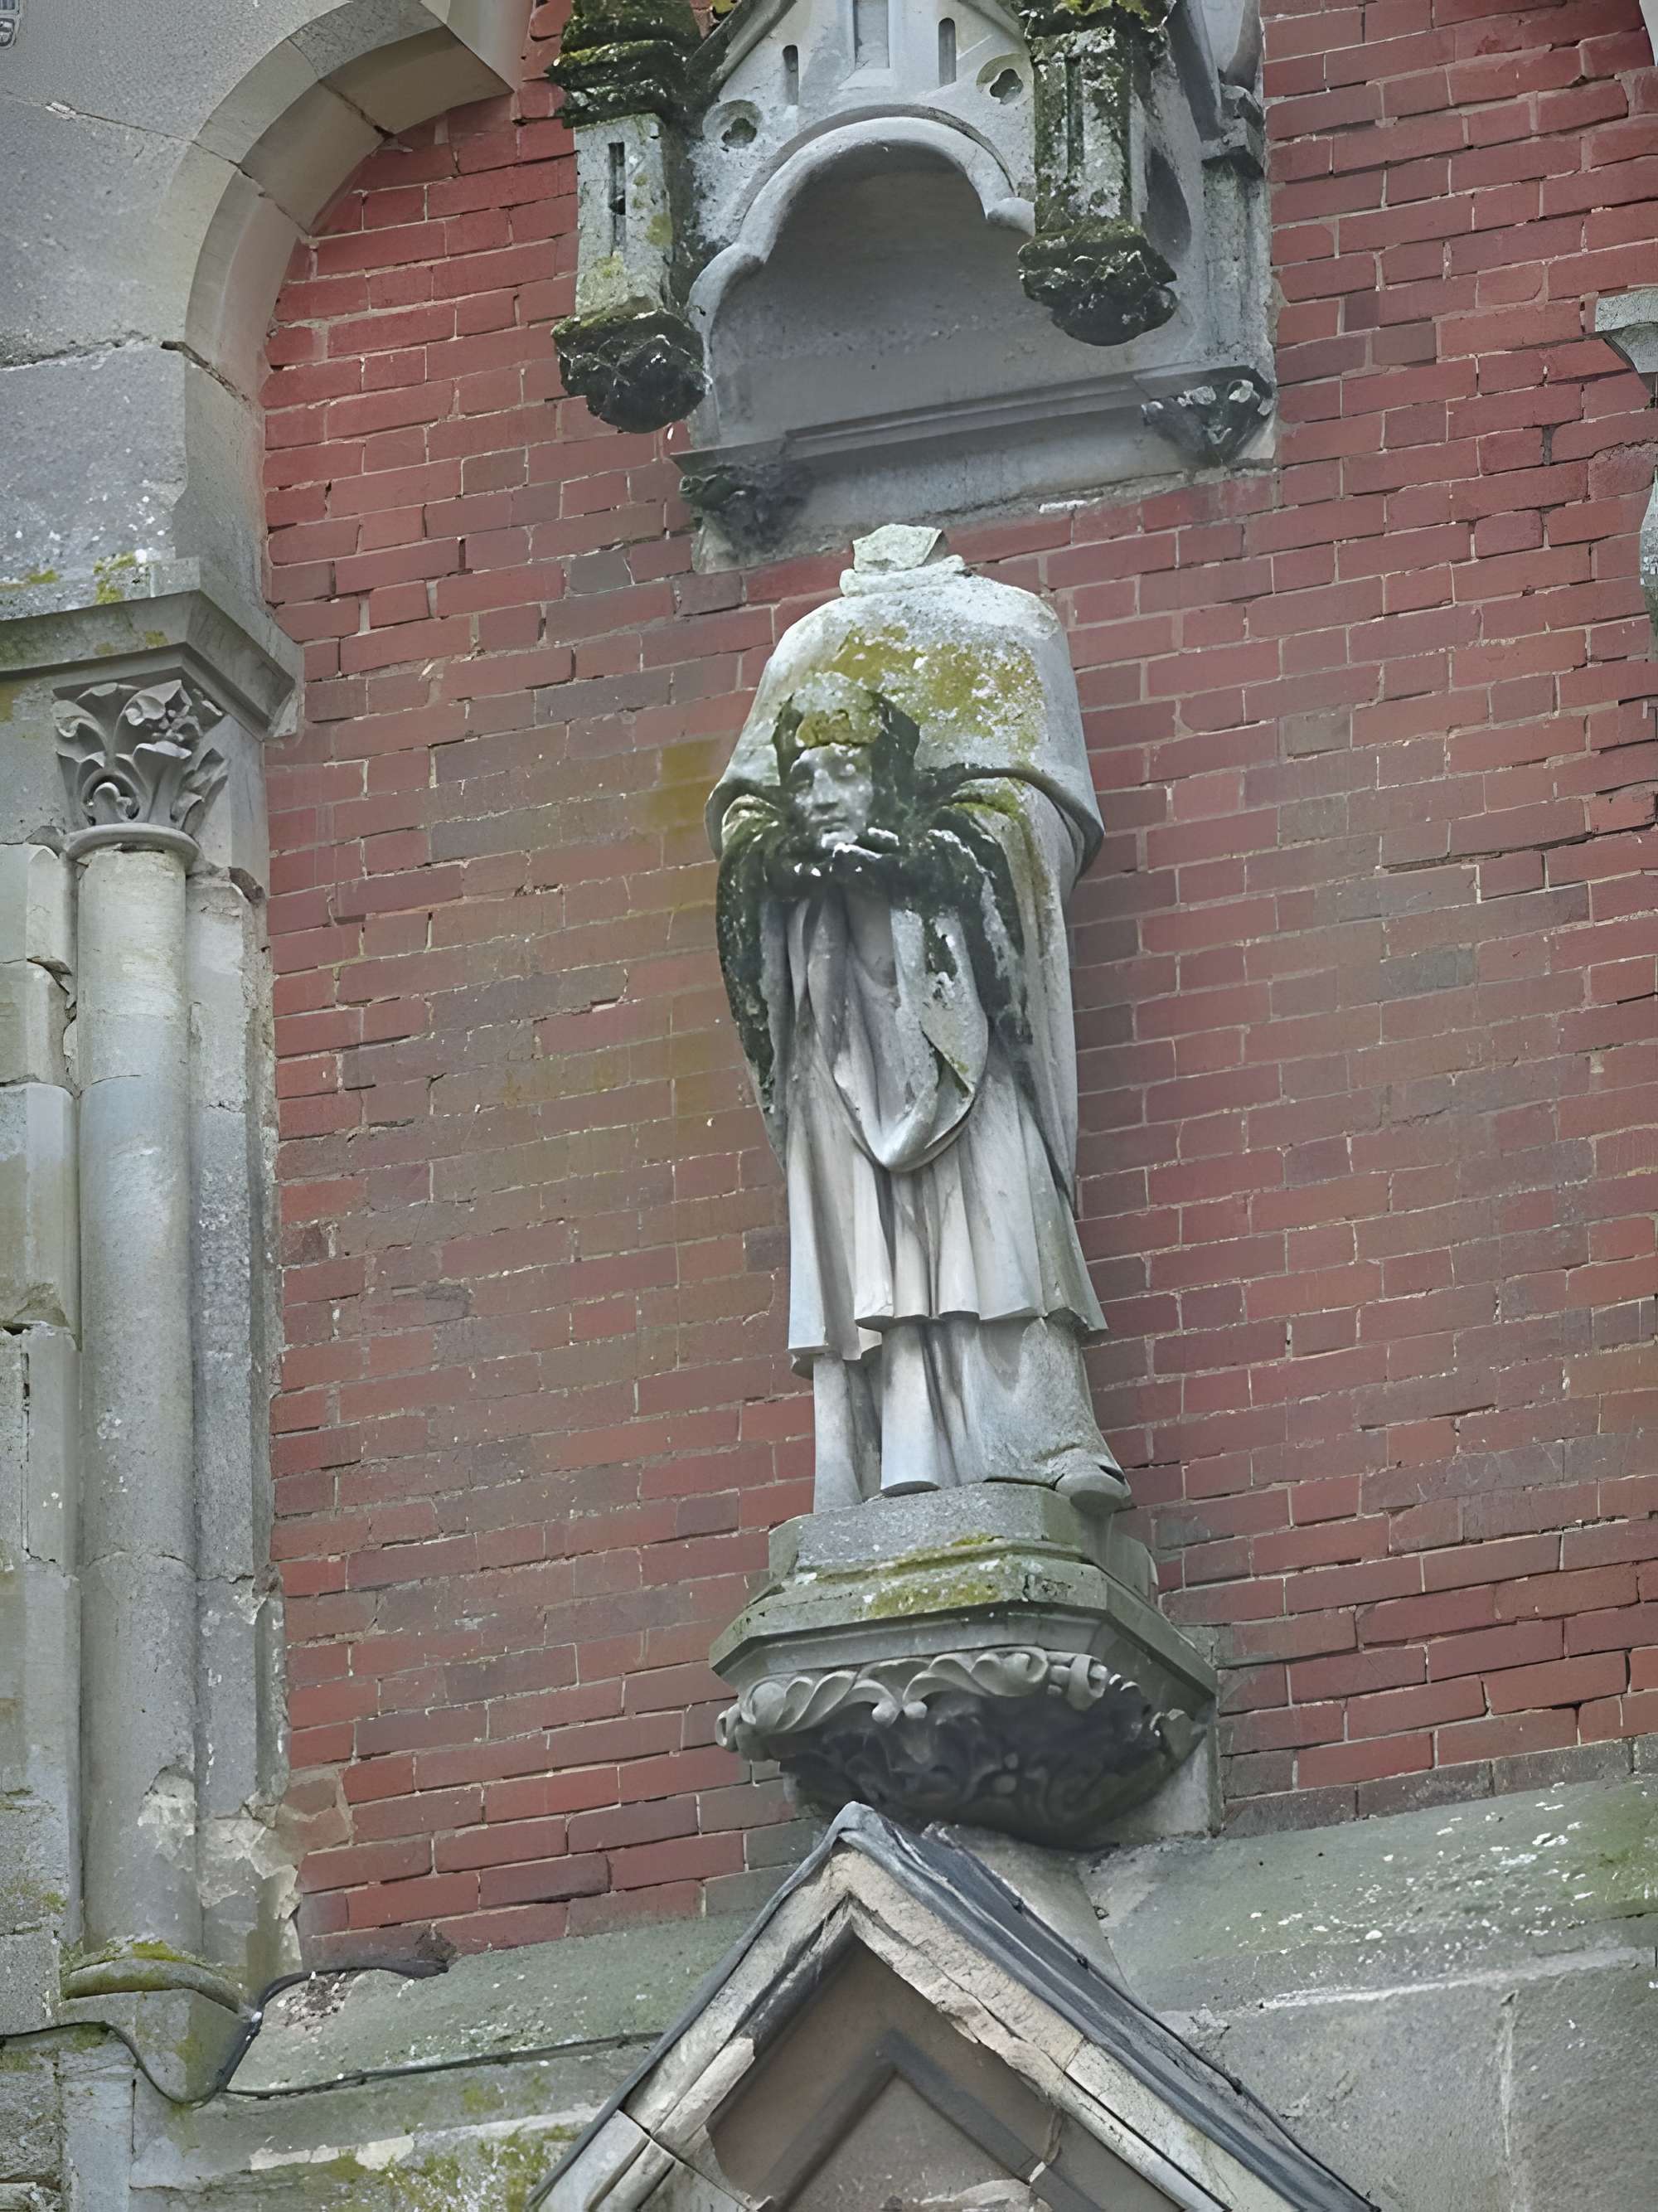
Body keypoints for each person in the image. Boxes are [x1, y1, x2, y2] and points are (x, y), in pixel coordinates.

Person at [708, 526, 1127, 1514]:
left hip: (957, 979)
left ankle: (1036, 1432)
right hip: (836, 982)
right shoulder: (803, 646)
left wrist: (933, 855)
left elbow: (1041, 815)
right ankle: (875, 1450)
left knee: (999, 1196)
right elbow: (743, 819)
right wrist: (790, 859)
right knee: (862, 1228)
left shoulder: (1009, 627)